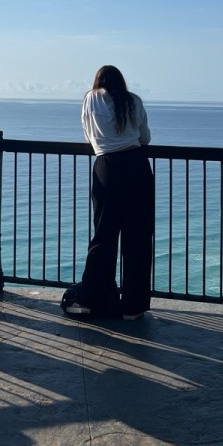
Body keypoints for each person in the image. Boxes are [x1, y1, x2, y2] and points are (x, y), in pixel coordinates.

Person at [64, 65, 154, 320]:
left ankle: (95, 299)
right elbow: (145, 137)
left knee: (104, 234)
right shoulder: (133, 101)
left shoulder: (91, 99)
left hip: (107, 168)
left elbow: (88, 135)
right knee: (137, 235)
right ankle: (133, 306)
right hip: (137, 166)